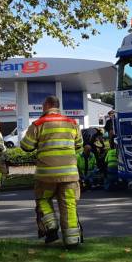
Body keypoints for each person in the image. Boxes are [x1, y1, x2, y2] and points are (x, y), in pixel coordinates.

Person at [20, 96, 83, 245]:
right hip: (69, 174)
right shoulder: (72, 123)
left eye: (43, 105)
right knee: (69, 204)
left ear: (47, 105)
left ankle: (51, 226)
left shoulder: (38, 123)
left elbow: (26, 146)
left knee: (43, 199)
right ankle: (72, 240)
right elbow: (79, 145)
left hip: (46, 175)